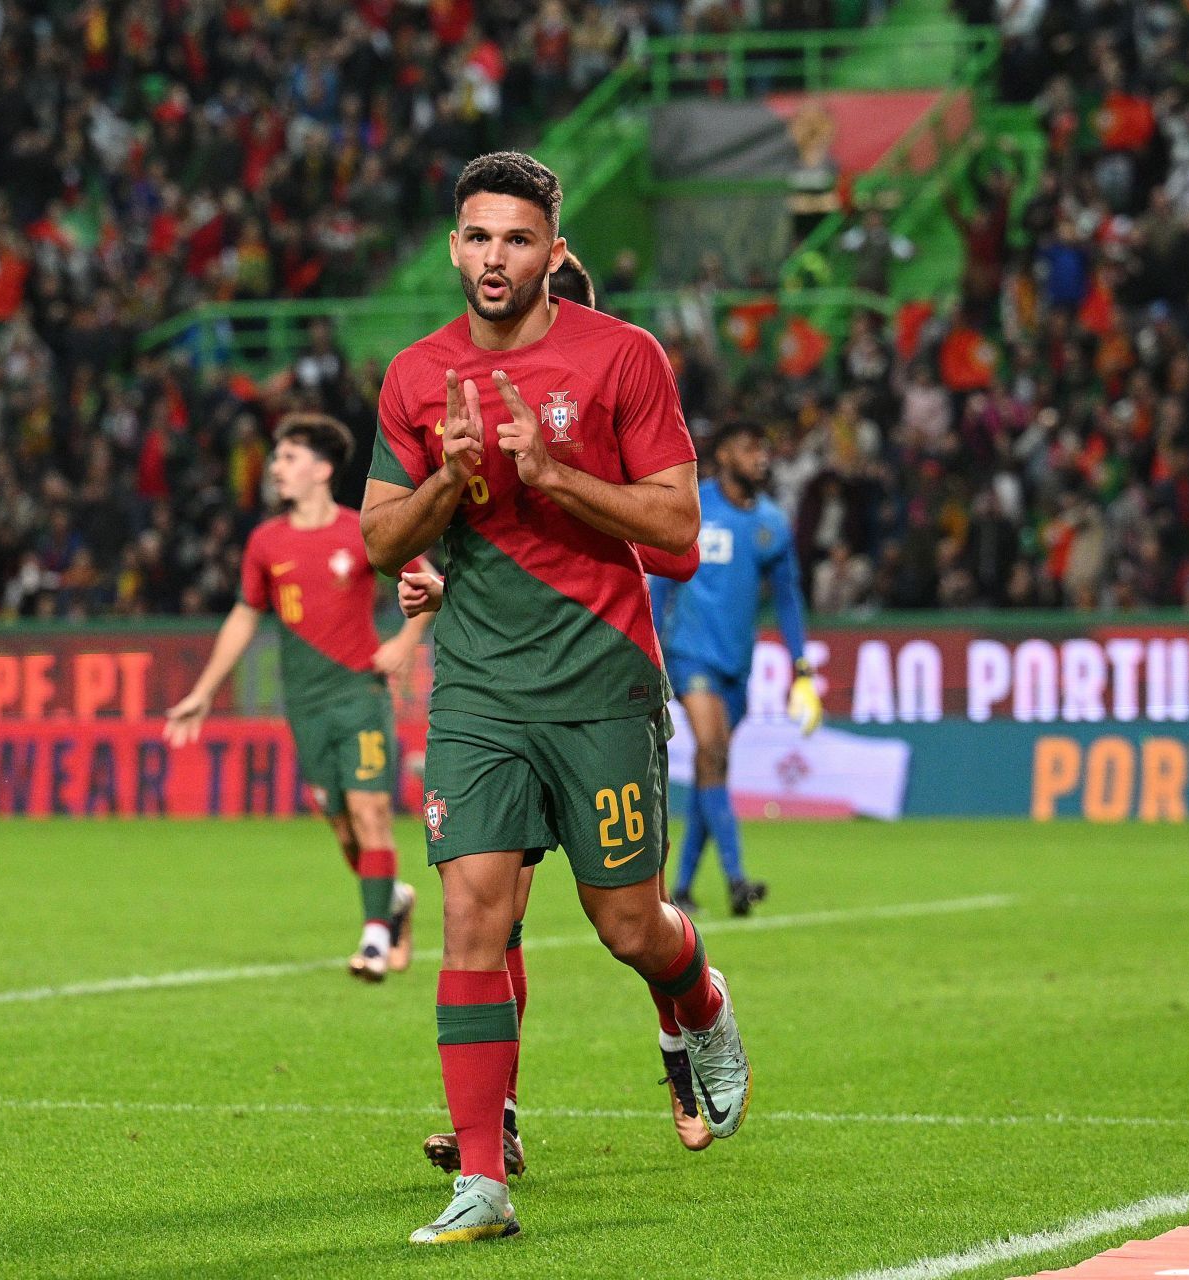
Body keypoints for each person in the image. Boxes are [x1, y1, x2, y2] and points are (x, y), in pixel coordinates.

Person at [361, 151, 751, 1245]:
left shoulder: (622, 356)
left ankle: (700, 1000)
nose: (496, 258)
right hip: (480, 687)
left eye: (518, 239)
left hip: (600, 678)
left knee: (627, 921)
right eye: (479, 237)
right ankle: (483, 1178)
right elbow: (380, 535)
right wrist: (450, 478)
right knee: (474, 913)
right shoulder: (414, 375)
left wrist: (550, 473)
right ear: (454, 247)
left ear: (554, 251)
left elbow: (676, 531)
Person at [165, 413, 433, 980]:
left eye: (288, 458)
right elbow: (244, 617)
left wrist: (405, 643)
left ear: (322, 470)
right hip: (305, 708)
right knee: (343, 827)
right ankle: (394, 902)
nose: (276, 468)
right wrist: (204, 691)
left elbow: (425, 583)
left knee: (371, 811)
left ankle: (374, 942)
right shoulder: (266, 542)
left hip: (359, 694)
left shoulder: (363, 529)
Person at [651, 423, 821, 917]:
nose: (760, 457)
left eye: (763, 447)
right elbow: (661, 576)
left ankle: (681, 888)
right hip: (689, 654)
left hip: (736, 666)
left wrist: (801, 665)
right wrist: (654, 644)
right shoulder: (694, 508)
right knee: (711, 748)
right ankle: (737, 878)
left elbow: (788, 599)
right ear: (724, 455)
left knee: (713, 765)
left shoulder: (772, 524)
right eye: (750, 447)